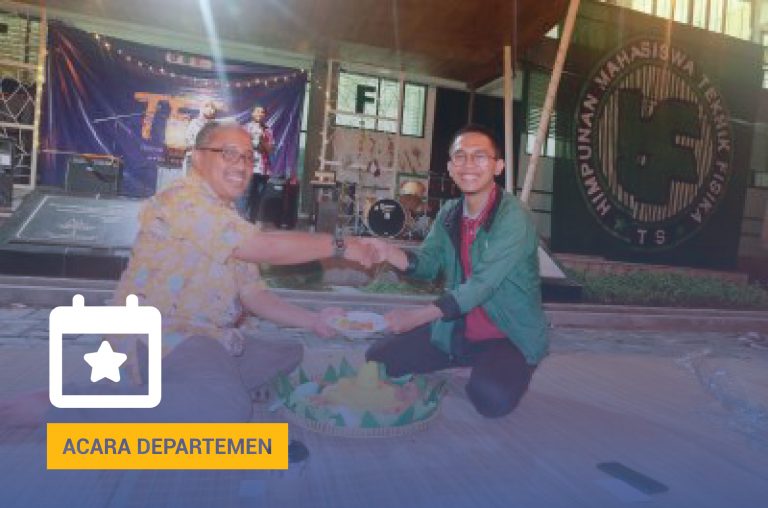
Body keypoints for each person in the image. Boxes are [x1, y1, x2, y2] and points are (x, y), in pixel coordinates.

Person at [1, 122, 376, 426]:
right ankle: (64, 405)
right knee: (228, 409)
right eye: (228, 153)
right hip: (165, 335)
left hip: (208, 338)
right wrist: (342, 246)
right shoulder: (182, 200)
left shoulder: (229, 219)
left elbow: (255, 295)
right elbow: (263, 247)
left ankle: (195, 387)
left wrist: (315, 322)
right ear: (197, 158)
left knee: (287, 354)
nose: (242, 164)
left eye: (248, 156)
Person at [363, 124, 549, 418]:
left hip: (509, 335)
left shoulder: (513, 216)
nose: (469, 164)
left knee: (490, 398)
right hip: (458, 330)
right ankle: (462, 357)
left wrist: (416, 317)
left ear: (498, 166)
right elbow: (428, 264)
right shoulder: (450, 212)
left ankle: (511, 366)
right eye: (460, 156)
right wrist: (390, 253)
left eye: (480, 156)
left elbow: (481, 285)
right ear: (450, 168)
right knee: (378, 359)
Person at [243, 104, 274, 222]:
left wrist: (262, 139)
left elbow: (269, 149)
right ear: (252, 113)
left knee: (259, 196)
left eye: (262, 112)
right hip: (249, 166)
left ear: (265, 115)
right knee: (248, 194)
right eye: (257, 111)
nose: (260, 114)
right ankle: (242, 220)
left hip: (263, 169)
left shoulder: (268, 130)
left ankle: (252, 220)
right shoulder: (246, 128)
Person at [182, 100, 218, 174]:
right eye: (207, 106)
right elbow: (188, 140)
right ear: (202, 108)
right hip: (192, 158)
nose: (210, 110)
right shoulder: (194, 123)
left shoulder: (214, 126)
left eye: (212, 108)